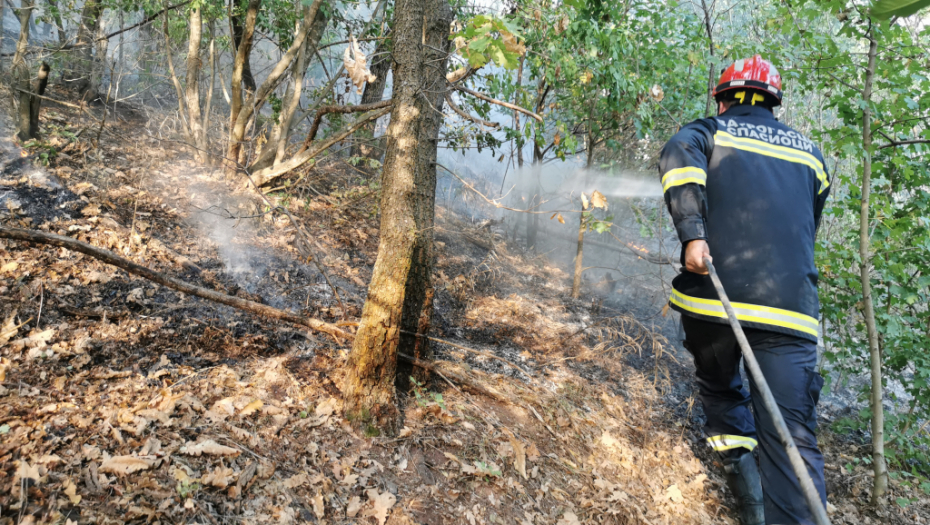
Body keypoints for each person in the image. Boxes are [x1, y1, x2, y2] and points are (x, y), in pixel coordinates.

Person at [658, 55, 830, 525]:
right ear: (774, 101)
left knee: (722, 390)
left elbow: (678, 158)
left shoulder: (706, 132)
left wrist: (693, 233)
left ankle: (747, 493)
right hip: (790, 313)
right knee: (791, 436)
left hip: (716, 301)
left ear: (723, 96)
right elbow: (805, 224)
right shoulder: (811, 155)